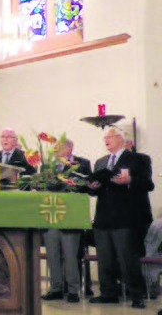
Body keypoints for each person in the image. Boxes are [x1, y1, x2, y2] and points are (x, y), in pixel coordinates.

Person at [86, 127, 150, 309]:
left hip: (126, 217)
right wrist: (92, 186)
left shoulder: (138, 159)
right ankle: (108, 293)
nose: (106, 140)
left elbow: (148, 184)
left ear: (121, 139)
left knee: (127, 258)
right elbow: (94, 190)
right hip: (103, 217)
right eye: (105, 138)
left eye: (110, 137)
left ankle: (137, 294)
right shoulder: (100, 162)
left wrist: (130, 181)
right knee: (104, 257)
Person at [41, 138, 91, 303]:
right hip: (51, 215)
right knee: (52, 254)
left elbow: (86, 186)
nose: (55, 150)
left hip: (71, 216)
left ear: (69, 148)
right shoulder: (48, 166)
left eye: (58, 147)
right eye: (54, 148)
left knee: (70, 255)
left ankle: (73, 290)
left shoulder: (82, 164)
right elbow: (43, 186)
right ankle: (55, 288)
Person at [122, 127, 154, 258]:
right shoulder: (108, 161)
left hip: (138, 215)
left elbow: (148, 184)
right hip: (117, 218)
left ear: (129, 144)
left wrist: (130, 180)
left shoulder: (142, 159)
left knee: (138, 254)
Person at [143, 217, 162, 300]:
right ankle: (151, 288)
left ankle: (152, 287)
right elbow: (151, 245)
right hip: (154, 254)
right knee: (151, 265)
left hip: (154, 253)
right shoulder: (158, 224)